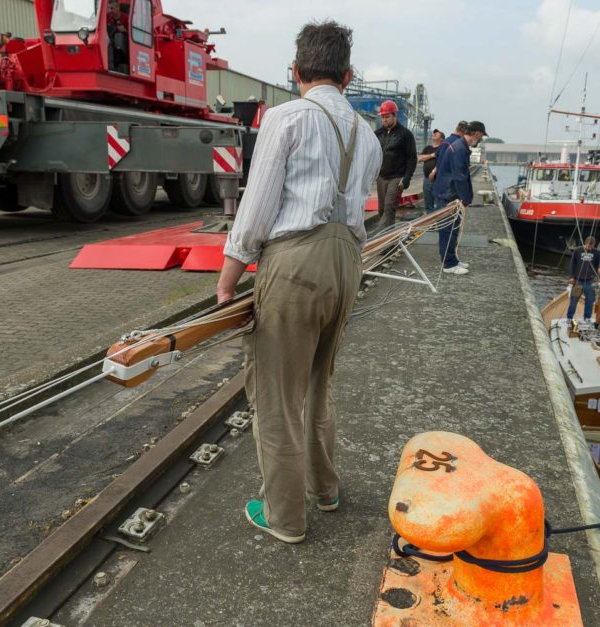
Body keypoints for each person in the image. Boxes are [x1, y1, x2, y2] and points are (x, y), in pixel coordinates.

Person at [216, 21, 381, 544]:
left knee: (275, 394)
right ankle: (325, 490)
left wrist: (228, 280)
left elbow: (257, 207)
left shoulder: (286, 118)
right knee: (317, 382)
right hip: (347, 262)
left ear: (295, 72)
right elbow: (361, 208)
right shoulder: (369, 134)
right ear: (348, 75)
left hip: (296, 260)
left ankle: (284, 517)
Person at [433, 120, 488, 275]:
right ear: (476, 133)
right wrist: (466, 198)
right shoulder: (459, 149)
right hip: (447, 195)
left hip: (448, 193)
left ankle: (452, 259)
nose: (481, 140)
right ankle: (448, 264)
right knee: (448, 230)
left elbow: (463, 176)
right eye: (481, 136)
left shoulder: (460, 146)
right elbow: (460, 177)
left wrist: (466, 197)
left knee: (453, 229)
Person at [374, 100, 417, 228]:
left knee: (389, 207)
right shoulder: (377, 134)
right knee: (382, 209)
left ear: (395, 116)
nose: (384, 120)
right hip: (381, 177)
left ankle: (385, 242)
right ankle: (388, 235)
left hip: (397, 177)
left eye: (387, 116)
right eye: (382, 117)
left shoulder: (405, 135)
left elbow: (412, 158)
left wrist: (407, 178)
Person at [566, 236, 599, 320]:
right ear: (585, 243)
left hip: (589, 281)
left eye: (591, 247)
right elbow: (572, 264)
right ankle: (569, 318)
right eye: (588, 246)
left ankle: (587, 318)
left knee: (589, 301)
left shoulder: (596, 253)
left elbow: (597, 265)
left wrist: (597, 276)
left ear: (594, 245)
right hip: (578, 281)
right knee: (574, 300)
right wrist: (572, 277)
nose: (589, 248)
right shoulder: (577, 250)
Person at [418, 129, 445, 214]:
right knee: (428, 204)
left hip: (439, 180)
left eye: (437, 134)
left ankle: (439, 223)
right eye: (434, 133)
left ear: (441, 139)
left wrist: (433, 172)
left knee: (439, 204)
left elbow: (443, 162)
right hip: (427, 179)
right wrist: (433, 155)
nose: (434, 134)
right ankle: (432, 225)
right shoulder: (428, 148)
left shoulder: (443, 148)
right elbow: (420, 158)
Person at [107, 1, 129, 73]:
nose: (110, 10)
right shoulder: (107, 16)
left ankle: (111, 66)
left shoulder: (126, 18)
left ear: (118, 7)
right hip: (109, 38)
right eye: (109, 8)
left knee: (116, 39)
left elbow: (133, 34)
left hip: (123, 43)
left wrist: (125, 30)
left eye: (112, 8)